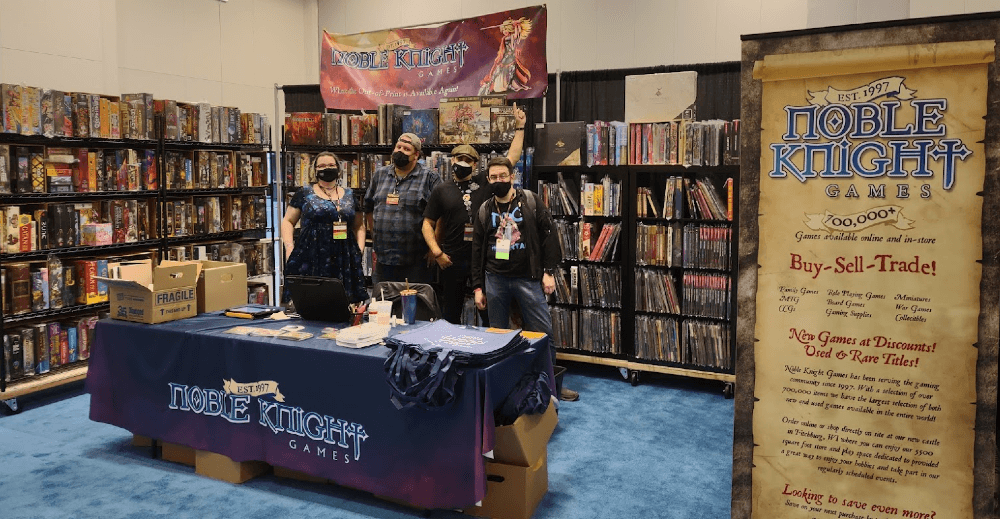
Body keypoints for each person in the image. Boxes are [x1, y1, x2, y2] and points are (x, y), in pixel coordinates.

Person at [470, 157, 579, 402]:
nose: (499, 180)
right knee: (497, 336)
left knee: (542, 334)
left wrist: (549, 272)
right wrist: (478, 286)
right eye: (494, 177)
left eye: (503, 176)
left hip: (528, 279)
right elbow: (477, 250)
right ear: (488, 179)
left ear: (512, 176)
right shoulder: (485, 209)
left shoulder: (530, 201)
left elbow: (549, 236)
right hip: (494, 279)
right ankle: (503, 387)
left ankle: (551, 385)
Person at [421, 104, 526, 324]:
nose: (462, 163)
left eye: (468, 160)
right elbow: (427, 223)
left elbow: (511, 159)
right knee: (450, 313)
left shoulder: (485, 182)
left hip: (483, 259)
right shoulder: (441, 189)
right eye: (458, 158)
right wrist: (437, 252)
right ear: (451, 160)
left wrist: (520, 128)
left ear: (476, 165)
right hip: (451, 260)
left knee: (488, 312)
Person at [281, 152, 368, 305]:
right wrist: (289, 246)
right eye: (321, 166)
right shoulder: (304, 193)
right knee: (311, 300)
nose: (326, 168)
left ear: (338, 169)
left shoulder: (349, 194)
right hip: (311, 254)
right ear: (314, 170)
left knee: (342, 302)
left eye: (330, 165)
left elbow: (359, 226)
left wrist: (359, 249)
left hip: (344, 256)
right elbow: (288, 221)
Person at [364, 132, 442, 285]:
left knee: (414, 306)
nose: (400, 151)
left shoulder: (430, 178)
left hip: (416, 261)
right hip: (384, 259)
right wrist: (374, 236)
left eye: (406, 149)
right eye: (398, 147)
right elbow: (368, 206)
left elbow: (441, 216)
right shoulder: (379, 175)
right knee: (383, 304)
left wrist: (435, 248)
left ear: (416, 155)